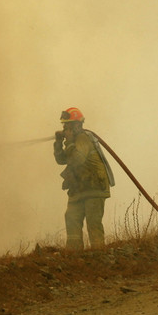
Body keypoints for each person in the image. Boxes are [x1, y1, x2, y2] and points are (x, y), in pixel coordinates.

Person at [53, 107, 113, 250]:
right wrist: (58, 144)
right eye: (64, 125)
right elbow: (62, 160)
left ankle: (99, 256)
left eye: (67, 125)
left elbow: (77, 159)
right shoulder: (73, 140)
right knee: (71, 218)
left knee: (93, 223)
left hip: (94, 188)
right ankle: (74, 257)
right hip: (79, 188)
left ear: (77, 125)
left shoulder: (83, 138)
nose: (65, 128)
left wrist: (69, 142)